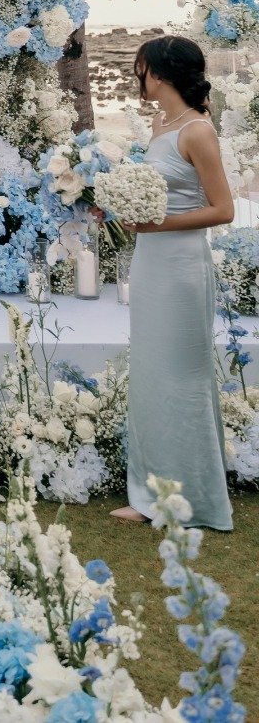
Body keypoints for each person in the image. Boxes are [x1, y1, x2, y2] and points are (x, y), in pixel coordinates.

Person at [109, 35, 234, 529]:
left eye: (141, 70)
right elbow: (153, 192)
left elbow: (222, 208)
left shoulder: (199, 131)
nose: (138, 78)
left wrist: (156, 223)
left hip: (182, 267)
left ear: (158, 75)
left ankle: (191, 499)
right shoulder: (161, 123)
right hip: (151, 261)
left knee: (182, 378)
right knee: (152, 374)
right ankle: (151, 492)